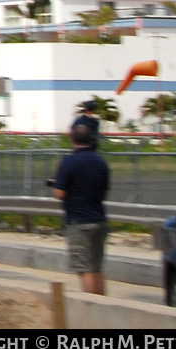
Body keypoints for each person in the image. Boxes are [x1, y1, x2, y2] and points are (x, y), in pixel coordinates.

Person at [53, 123, 110, 295]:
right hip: (99, 219)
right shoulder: (100, 162)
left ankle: (90, 308)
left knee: (85, 270)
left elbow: (59, 194)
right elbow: (105, 192)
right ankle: (103, 306)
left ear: (73, 139)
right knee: (96, 268)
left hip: (79, 221)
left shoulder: (69, 162)